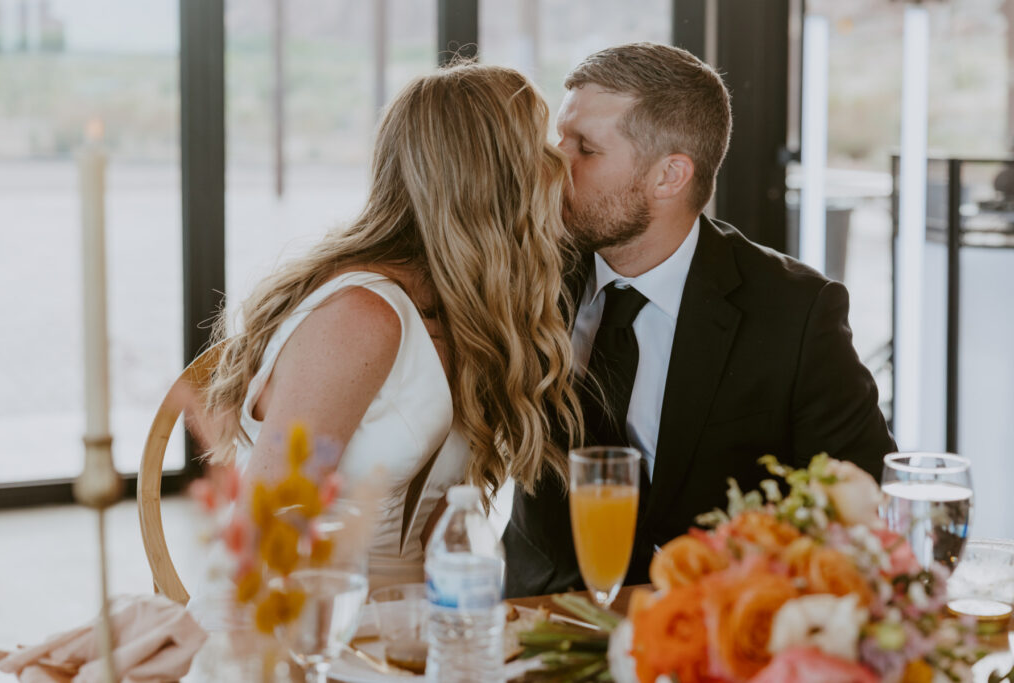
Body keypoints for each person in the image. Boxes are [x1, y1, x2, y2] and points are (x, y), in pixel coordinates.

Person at [503, 42, 897, 598]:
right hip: (535, 619)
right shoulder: (522, 271)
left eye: (585, 149)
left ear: (669, 175)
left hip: (709, 632)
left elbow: (866, 501)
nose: (552, 163)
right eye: (557, 140)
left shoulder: (794, 312)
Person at [196, 63, 581, 612]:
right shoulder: (361, 317)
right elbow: (264, 534)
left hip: (410, 632)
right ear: (491, 179)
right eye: (541, 146)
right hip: (305, 630)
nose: (559, 164)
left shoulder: (461, 315)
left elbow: (438, 537)